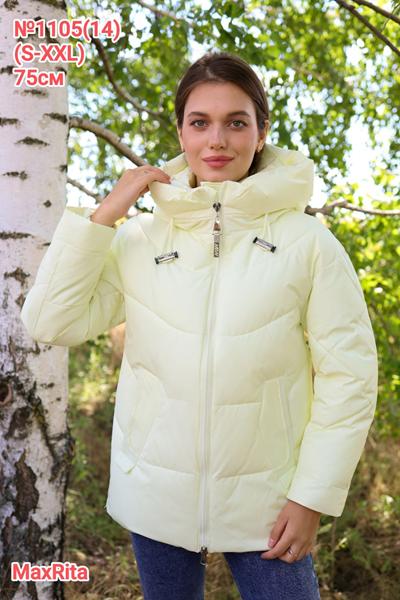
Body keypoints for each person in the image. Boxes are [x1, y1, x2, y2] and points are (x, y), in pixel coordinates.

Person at [20, 51, 378, 600]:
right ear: (181, 133)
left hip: (269, 505)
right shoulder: (141, 238)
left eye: (236, 122)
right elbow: (50, 321)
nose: (217, 140)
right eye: (200, 122)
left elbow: (350, 378)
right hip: (155, 495)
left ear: (261, 132)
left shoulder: (309, 244)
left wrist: (311, 496)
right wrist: (102, 217)